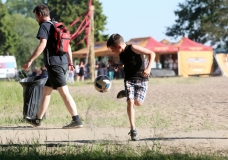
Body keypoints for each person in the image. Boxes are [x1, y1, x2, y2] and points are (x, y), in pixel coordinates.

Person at [23, 4, 83, 129]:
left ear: (40, 15)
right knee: (46, 91)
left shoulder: (44, 26)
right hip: (63, 63)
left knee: (64, 92)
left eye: (35, 16)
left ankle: (76, 119)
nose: (35, 19)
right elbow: (68, 45)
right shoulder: (57, 25)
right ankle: (37, 120)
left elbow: (42, 45)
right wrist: (70, 62)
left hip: (54, 65)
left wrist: (29, 61)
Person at [106, 33, 155, 141]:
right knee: (130, 102)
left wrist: (148, 69)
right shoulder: (121, 53)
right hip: (129, 80)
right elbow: (124, 64)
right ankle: (133, 129)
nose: (113, 52)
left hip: (142, 79)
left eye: (113, 50)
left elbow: (152, 54)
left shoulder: (133, 48)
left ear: (118, 46)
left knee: (138, 102)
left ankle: (126, 93)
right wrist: (115, 65)